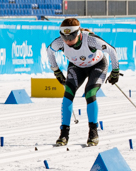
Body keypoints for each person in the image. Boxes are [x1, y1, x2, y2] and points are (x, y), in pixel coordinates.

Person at [46, 18, 120, 146]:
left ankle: (93, 132)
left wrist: (115, 71)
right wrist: (56, 71)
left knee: (90, 92)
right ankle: (64, 134)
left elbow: (112, 50)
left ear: (78, 33)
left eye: (71, 37)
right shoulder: (59, 42)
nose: (67, 41)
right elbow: (49, 52)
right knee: (68, 93)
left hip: (97, 65)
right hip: (77, 67)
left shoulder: (90, 40)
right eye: (64, 37)